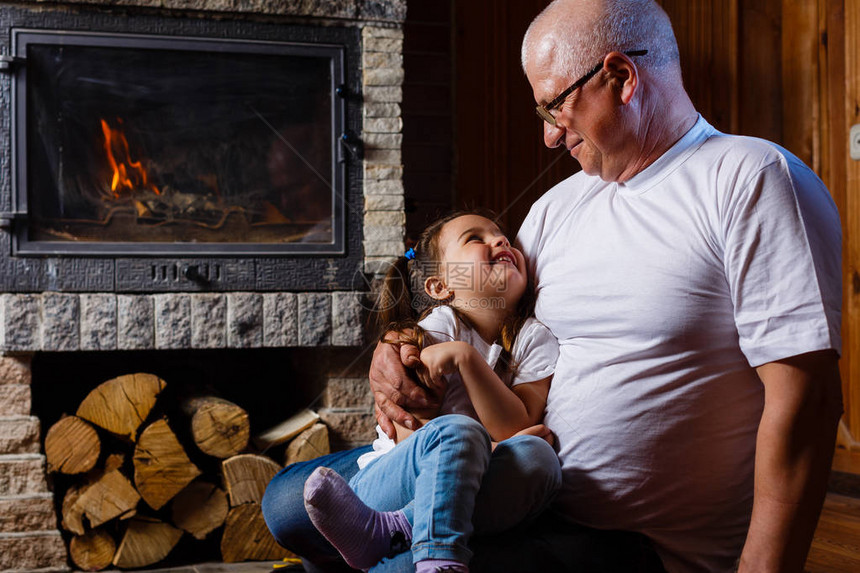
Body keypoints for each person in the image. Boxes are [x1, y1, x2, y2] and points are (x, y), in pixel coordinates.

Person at [367, 1, 843, 572]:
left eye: (553, 106)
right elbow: (478, 306)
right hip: (521, 511)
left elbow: (807, 399)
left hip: (638, 550)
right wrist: (394, 349)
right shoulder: (555, 208)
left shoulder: (750, 179)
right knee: (292, 503)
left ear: (620, 77)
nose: (547, 136)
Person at [299, 211, 561, 573]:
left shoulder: (533, 338)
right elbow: (410, 430)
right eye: (475, 238)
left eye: (502, 236)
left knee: (538, 456)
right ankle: (440, 559)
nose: (500, 241)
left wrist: (468, 361)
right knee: (459, 430)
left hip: (462, 487)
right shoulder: (435, 330)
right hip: (390, 486)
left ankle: (393, 532)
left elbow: (516, 427)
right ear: (440, 288)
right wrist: (488, 448)